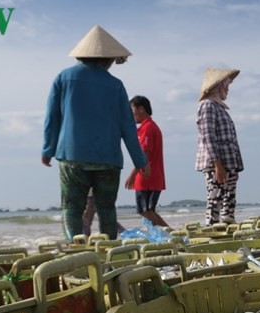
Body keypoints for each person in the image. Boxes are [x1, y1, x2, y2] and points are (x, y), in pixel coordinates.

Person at [41, 25, 150, 240]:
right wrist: (140, 161)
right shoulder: (116, 85)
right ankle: (107, 252)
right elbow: (128, 126)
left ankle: (76, 249)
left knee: (72, 207)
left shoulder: (63, 78)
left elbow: (52, 118)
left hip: (72, 156)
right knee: (106, 209)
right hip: (107, 158)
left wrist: (48, 149)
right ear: (107, 59)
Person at [195, 68, 243, 226]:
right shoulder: (207, 105)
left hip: (228, 163)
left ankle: (227, 228)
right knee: (215, 196)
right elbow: (208, 135)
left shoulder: (220, 107)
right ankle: (213, 229)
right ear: (217, 87)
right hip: (216, 163)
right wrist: (217, 165)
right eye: (226, 87)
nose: (227, 90)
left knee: (228, 199)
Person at [124, 95, 169, 227]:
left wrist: (132, 174)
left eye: (132, 110)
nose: (131, 114)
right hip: (149, 176)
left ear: (141, 109)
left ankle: (170, 234)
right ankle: (169, 234)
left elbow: (144, 154)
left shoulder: (148, 127)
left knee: (145, 210)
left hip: (148, 176)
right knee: (147, 210)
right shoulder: (145, 127)